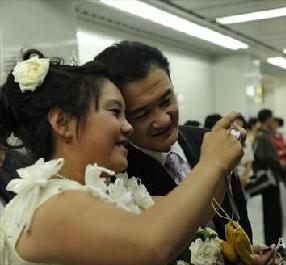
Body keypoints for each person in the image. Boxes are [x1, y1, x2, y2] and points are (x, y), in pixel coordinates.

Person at [0, 53, 247, 264]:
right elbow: (150, 243)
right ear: (63, 123)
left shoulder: (99, 193)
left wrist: (223, 152)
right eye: (115, 112)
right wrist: (212, 162)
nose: (128, 127)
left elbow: (195, 212)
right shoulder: (51, 205)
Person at [94, 41, 275, 264]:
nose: (163, 119)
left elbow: (234, 213)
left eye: (166, 100)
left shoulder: (206, 139)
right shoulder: (115, 177)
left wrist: (244, 257)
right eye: (142, 113)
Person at [252, 109, 285, 254]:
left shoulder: (266, 135)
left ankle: (277, 244)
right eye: (272, 118)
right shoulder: (262, 137)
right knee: (272, 213)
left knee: (275, 213)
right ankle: (273, 245)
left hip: (273, 178)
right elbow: (264, 157)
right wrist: (278, 165)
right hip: (269, 179)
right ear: (267, 119)